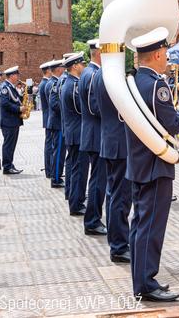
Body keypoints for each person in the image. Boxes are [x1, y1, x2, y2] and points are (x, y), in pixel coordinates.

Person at [126, 27, 179, 302]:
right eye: (165, 52)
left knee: (140, 223)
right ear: (157, 54)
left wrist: (175, 92)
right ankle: (146, 284)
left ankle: (141, 278)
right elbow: (169, 123)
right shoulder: (157, 84)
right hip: (155, 164)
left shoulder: (135, 81)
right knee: (151, 226)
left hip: (139, 162)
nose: (167, 56)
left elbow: (151, 114)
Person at [93, 57, 132, 263]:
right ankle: (118, 246)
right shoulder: (113, 75)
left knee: (114, 194)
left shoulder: (101, 73)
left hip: (110, 139)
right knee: (121, 197)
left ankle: (117, 243)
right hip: (119, 142)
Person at [79, 40, 108, 235]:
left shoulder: (89, 73)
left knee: (98, 180)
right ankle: (92, 221)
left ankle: (93, 218)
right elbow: (93, 107)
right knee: (98, 181)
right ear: (98, 53)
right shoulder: (93, 75)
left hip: (94, 134)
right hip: (96, 135)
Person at [61, 52, 89, 215]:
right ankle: (76, 204)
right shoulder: (73, 86)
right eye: (82, 64)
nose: (83, 67)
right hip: (77, 134)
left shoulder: (70, 83)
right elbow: (81, 109)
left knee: (75, 169)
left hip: (73, 132)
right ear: (75, 66)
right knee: (79, 171)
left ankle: (74, 198)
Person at [0, 66, 25, 175]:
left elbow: (16, 99)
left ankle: (10, 164)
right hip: (8, 121)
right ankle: (7, 166)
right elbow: (4, 103)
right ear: (11, 76)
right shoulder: (5, 87)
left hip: (12, 121)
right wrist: (19, 108)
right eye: (16, 75)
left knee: (11, 145)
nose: (18, 77)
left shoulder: (11, 86)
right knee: (8, 145)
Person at [46, 59, 66, 188]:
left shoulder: (53, 82)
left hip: (56, 122)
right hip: (57, 123)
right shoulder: (54, 83)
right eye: (62, 68)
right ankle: (56, 178)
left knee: (58, 151)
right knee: (58, 152)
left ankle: (56, 174)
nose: (64, 70)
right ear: (58, 69)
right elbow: (54, 104)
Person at [38, 61, 53, 177]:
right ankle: (49, 169)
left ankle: (49, 168)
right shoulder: (46, 84)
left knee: (49, 144)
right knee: (49, 145)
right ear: (48, 71)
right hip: (49, 118)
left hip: (47, 117)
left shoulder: (44, 83)